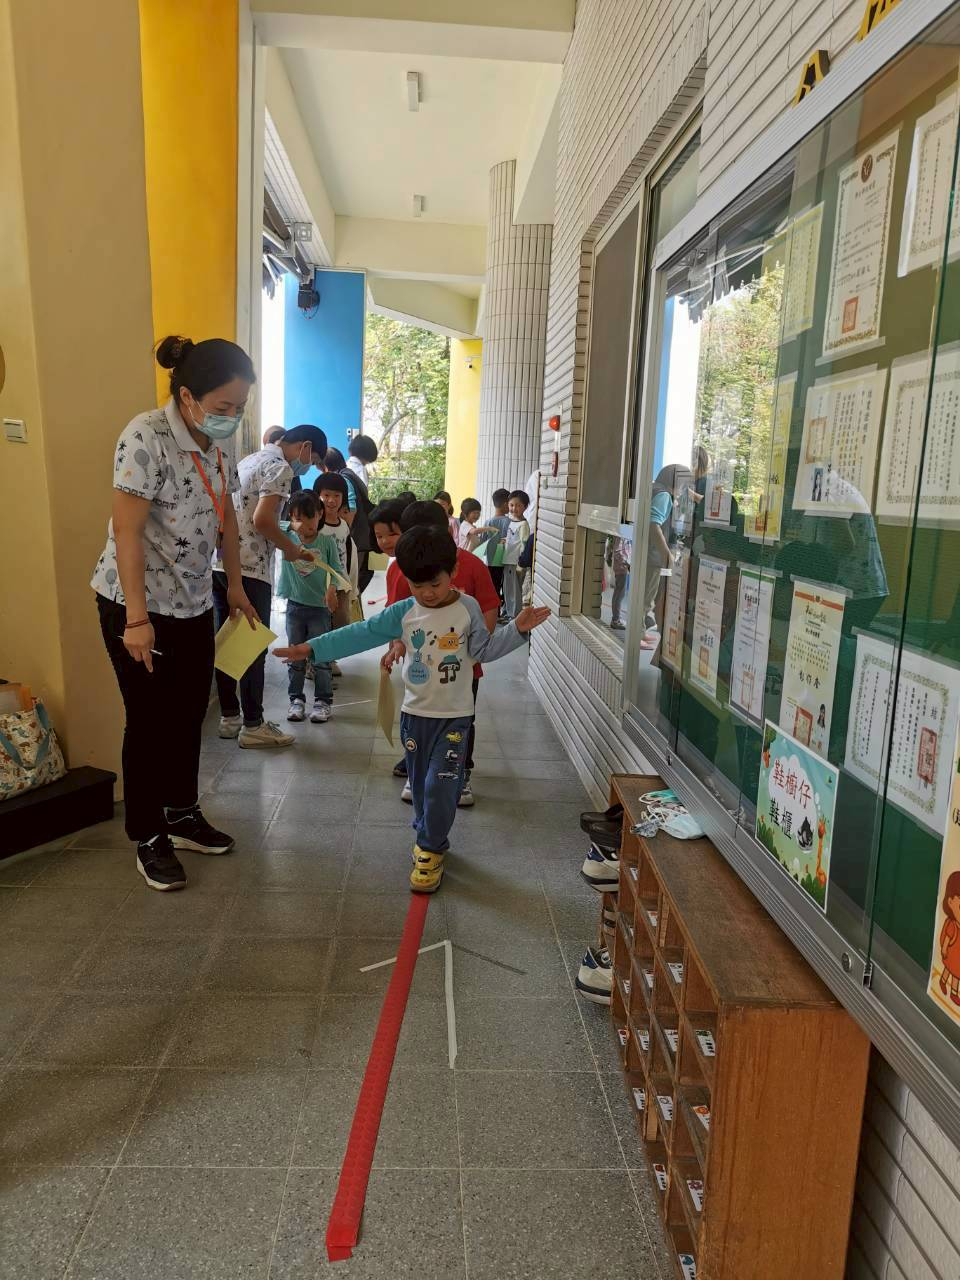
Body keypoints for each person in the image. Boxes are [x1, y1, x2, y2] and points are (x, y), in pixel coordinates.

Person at [273, 525, 550, 892]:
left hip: (455, 719)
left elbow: (482, 651)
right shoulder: (405, 611)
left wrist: (516, 629)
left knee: (441, 785)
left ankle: (431, 848)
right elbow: (360, 633)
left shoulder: (467, 608)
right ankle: (426, 830)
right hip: (415, 718)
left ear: (453, 571)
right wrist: (311, 648)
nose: (427, 593)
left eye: (435, 584)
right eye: (418, 586)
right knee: (420, 788)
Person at [92, 334, 259, 892]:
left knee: (189, 712)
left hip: (193, 600)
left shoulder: (217, 446)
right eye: (223, 406)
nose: (232, 417)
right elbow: (127, 531)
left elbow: (227, 520)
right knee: (148, 720)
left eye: (240, 406)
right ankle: (148, 835)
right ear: (188, 397)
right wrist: (137, 621)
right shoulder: (146, 436)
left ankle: (182, 813)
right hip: (134, 603)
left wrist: (235, 587)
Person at [213, 423, 328, 747]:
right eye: (312, 459)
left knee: (227, 641)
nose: (308, 466)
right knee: (251, 646)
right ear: (305, 447)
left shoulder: (249, 460)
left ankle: (230, 717)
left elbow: (241, 512)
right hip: (250, 568)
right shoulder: (280, 468)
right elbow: (261, 520)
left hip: (221, 563)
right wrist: (290, 548)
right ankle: (253, 724)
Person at [385, 500, 500, 806]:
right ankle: (417, 768)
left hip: (461, 668)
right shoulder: (402, 568)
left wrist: (476, 648)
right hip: (422, 666)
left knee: (462, 722)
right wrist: (396, 645)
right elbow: (394, 617)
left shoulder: (470, 564)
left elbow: (489, 607)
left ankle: (460, 773)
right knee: (417, 718)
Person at [277, 491, 342, 724]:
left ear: (320, 514)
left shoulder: (327, 542)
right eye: (298, 518)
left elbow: (337, 571)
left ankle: (323, 701)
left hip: (319, 610)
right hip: (294, 607)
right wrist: (292, 525)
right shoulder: (287, 538)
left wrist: (332, 590)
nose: (304, 524)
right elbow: (268, 524)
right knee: (295, 657)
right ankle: (296, 700)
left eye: (310, 517)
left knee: (320, 657)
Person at [642, 464, 691, 649]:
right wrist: (667, 555)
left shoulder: (654, 488)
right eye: (684, 484)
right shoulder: (663, 495)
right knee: (646, 597)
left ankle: (640, 632)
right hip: (652, 555)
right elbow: (654, 525)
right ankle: (637, 636)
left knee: (644, 595)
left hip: (644, 553)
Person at [316, 471, 358, 657]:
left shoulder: (344, 526)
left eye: (336, 496)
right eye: (326, 495)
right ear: (318, 495)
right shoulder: (315, 525)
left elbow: (348, 556)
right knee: (319, 623)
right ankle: (317, 660)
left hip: (341, 583)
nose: (331, 500)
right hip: (320, 584)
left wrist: (350, 584)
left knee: (340, 621)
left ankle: (329, 658)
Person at [323, 446, 376, 593]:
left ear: (326, 465)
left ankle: (352, 608)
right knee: (351, 582)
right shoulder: (347, 474)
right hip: (358, 537)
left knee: (350, 583)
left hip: (356, 539)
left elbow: (351, 509)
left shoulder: (343, 479)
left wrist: (344, 535)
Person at [503, 489, 531, 619]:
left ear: (525, 507)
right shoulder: (512, 521)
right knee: (508, 588)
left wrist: (520, 564)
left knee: (514, 589)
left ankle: (514, 615)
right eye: (511, 505)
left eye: (518, 505)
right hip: (508, 559)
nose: (514, 508)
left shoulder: (523, 524)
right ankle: (509, 612)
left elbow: (524, 544)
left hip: (515, 562)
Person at [487, 488, 512, 617]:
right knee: (506, 587)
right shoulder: (508, 522)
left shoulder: (488, 522)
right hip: (505, 560)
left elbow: (484, 542)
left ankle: (494, 613)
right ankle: (505, 611)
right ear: (505, 504)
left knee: (493, 587)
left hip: (491, 561)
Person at [607, 536, 632, 631]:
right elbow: (617, 551)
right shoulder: (622, 534)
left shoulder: (625, 533)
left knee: (619, 593)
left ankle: (616, 618)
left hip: (622, 567)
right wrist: (626, 563)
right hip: (622, 567)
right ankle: (615, 620)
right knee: (619, 594)